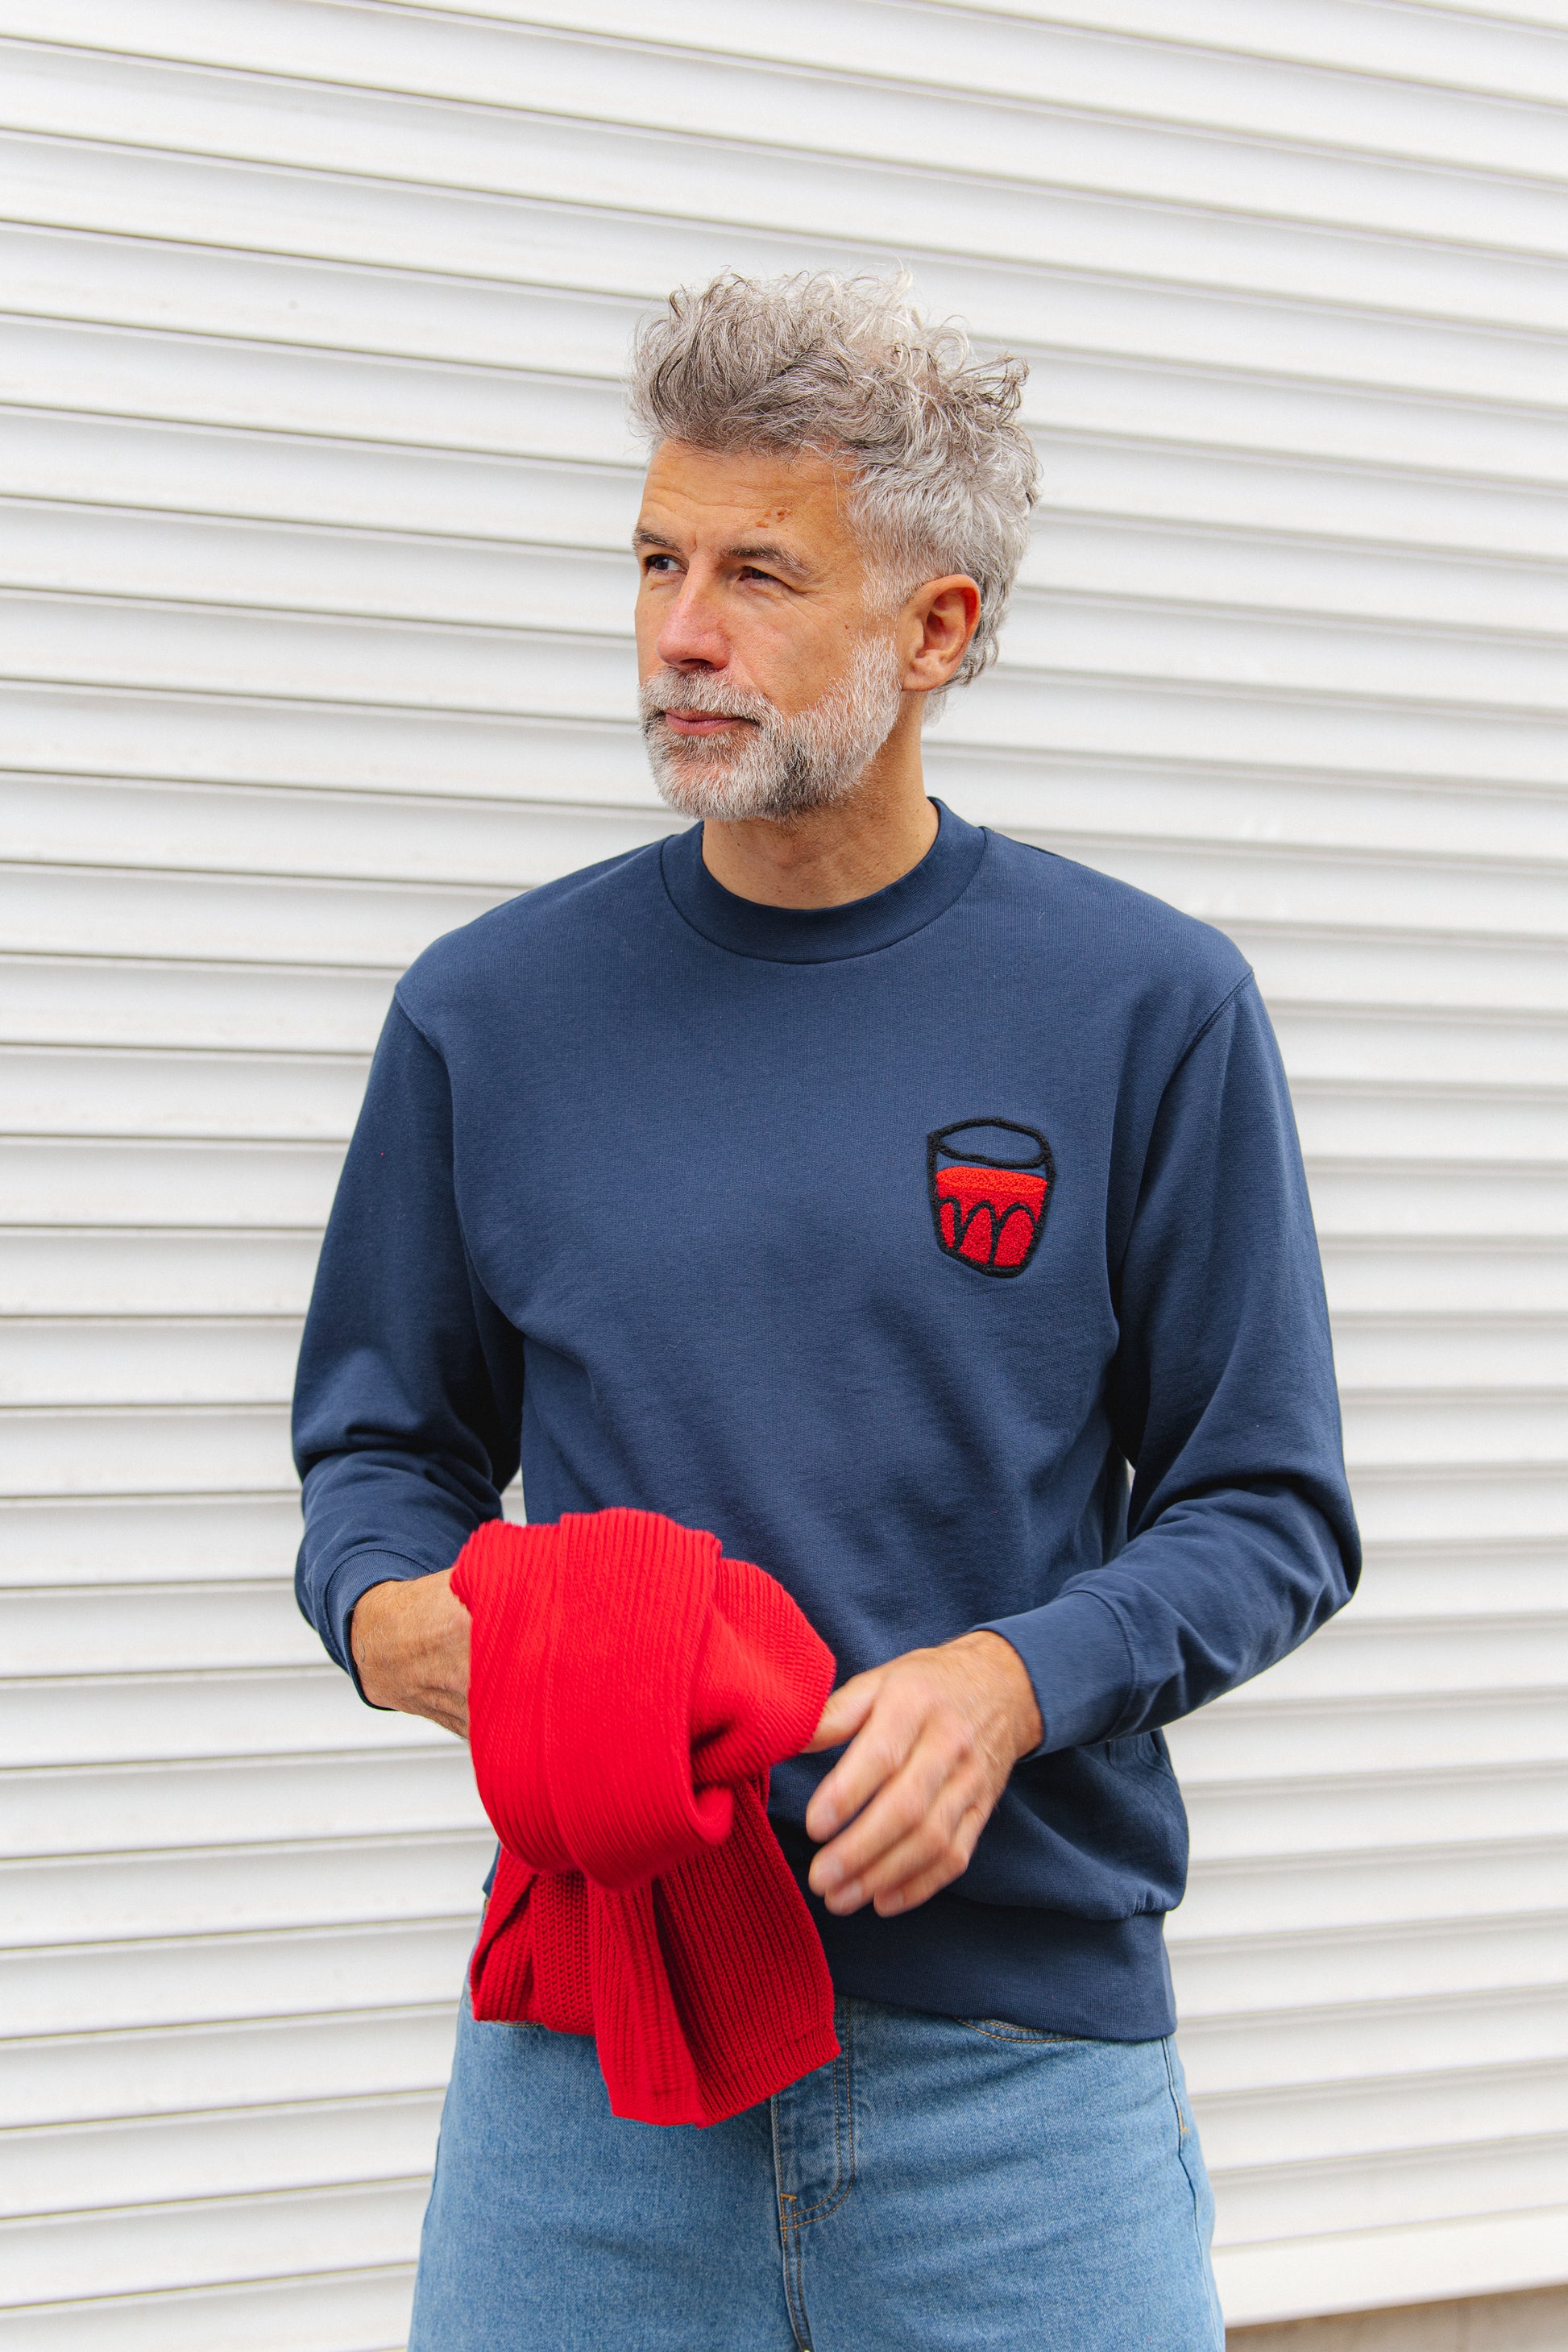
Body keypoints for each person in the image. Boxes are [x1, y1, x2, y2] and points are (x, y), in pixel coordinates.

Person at [293, 270, 1359, 2351]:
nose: (679, 635)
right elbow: (382, 1454)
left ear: (935, 629)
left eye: (758, 576)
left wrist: (1012, 1682)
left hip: (1017, 2084)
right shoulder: (486, 1015)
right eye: (656, 562)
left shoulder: (1146, 1009)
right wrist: (398, 1620)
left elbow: (1267, 1507)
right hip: (591, 2055)